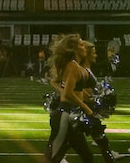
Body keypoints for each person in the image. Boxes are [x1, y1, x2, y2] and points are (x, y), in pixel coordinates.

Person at [45, 33, 97, 162]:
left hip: (71, 116)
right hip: (65, 116)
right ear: (74, 49)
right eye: (80, 45)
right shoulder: (73, 65)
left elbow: (71, 89)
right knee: (54, 157)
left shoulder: (74, 65)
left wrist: (86, 97)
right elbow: (68, 93)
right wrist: (86, 108)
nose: (84, 47)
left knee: (87, 157)